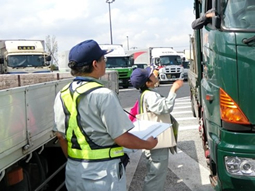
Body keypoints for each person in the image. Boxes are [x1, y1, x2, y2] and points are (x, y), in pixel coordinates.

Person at [53, 39, 158, 191]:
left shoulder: (62, 95)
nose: (105, 63)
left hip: (74, 170)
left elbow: (60, 136)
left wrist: (75, 160)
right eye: (104, 59)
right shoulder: (103, 95)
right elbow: (121, 137)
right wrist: (148, 144)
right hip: (102, 174)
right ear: (95, 64)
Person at [130, 67, 183, 191]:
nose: (154, 74)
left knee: (154, 173)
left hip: (151, 139)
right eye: (151, 75)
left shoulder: (144, 94)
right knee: (156, 176)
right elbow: (165, 107)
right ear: (148, 83)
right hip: (156, 142)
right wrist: (173, 89)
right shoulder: (150, 95)